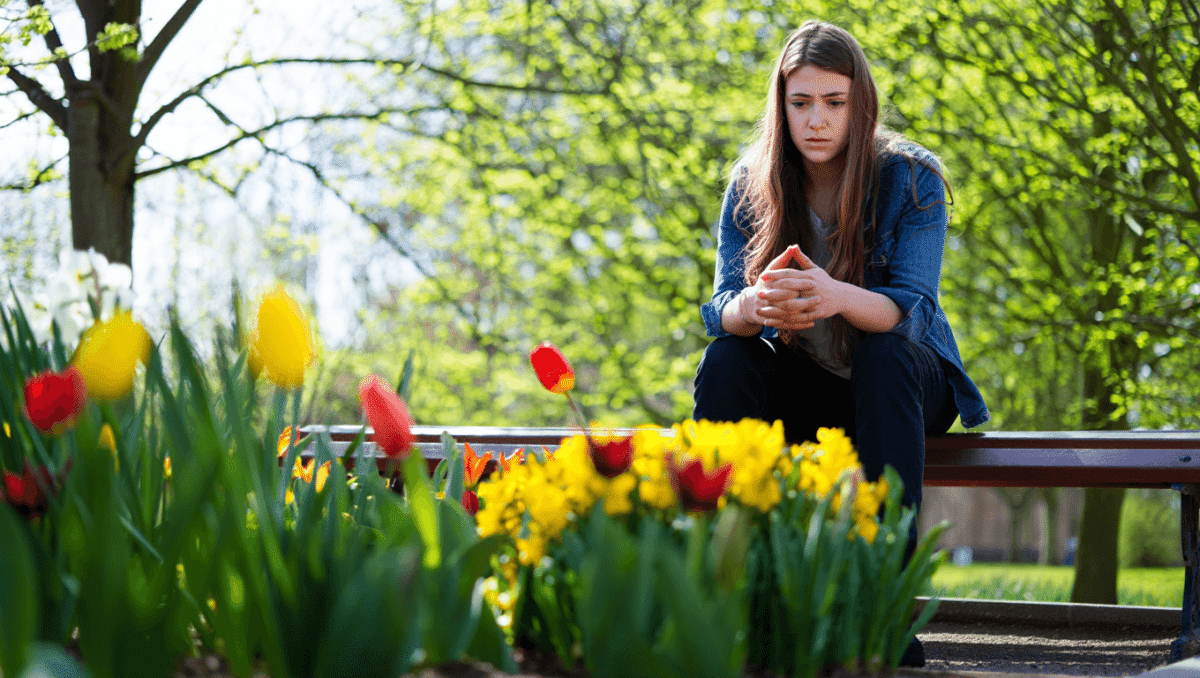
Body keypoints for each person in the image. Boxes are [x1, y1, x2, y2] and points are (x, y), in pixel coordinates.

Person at [692, 20, 990, 667]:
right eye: (801, 103)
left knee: (885, 356)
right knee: (728, 358)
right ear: (782, 105)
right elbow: (717, 311)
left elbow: (912, 311)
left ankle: (885, 610)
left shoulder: (912, 178)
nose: (817, 120)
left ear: (861, 105)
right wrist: (754, 305)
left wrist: (832, 295)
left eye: (834, 102)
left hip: (903, 381)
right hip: (806, 376)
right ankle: (729, 594)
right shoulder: (751, 184)